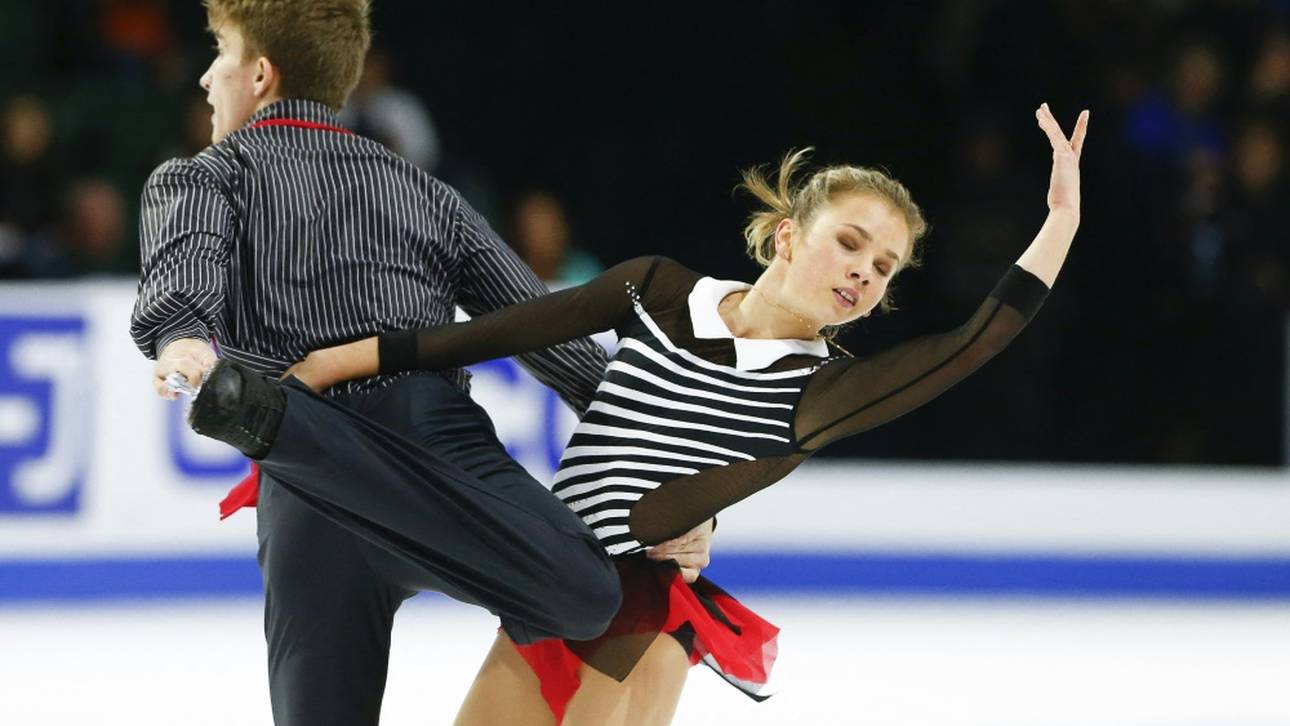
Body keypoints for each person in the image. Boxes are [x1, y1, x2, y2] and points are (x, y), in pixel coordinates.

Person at [197, 102, 1087, 725]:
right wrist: (349, 359)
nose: (864, 271)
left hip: (641, 614)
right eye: (851, 242)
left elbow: (969, 345)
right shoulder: (660, 291)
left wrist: (1055, 227)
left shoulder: (815, 395)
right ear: (788, 237)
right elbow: (500, 331)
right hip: (549, 585)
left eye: (885, 267)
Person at [130, 2, 712, 724]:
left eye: (218, 53)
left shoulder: (203, 176)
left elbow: (182, 266)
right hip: (428, 462)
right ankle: (287, 424)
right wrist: (677, 479)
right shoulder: (425, 192)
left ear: (259, 72)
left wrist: (180, 336)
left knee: (585, 595)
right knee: (587, 593)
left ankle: (281, 420)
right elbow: (549, 335)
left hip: (311, 482)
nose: (206, 78)